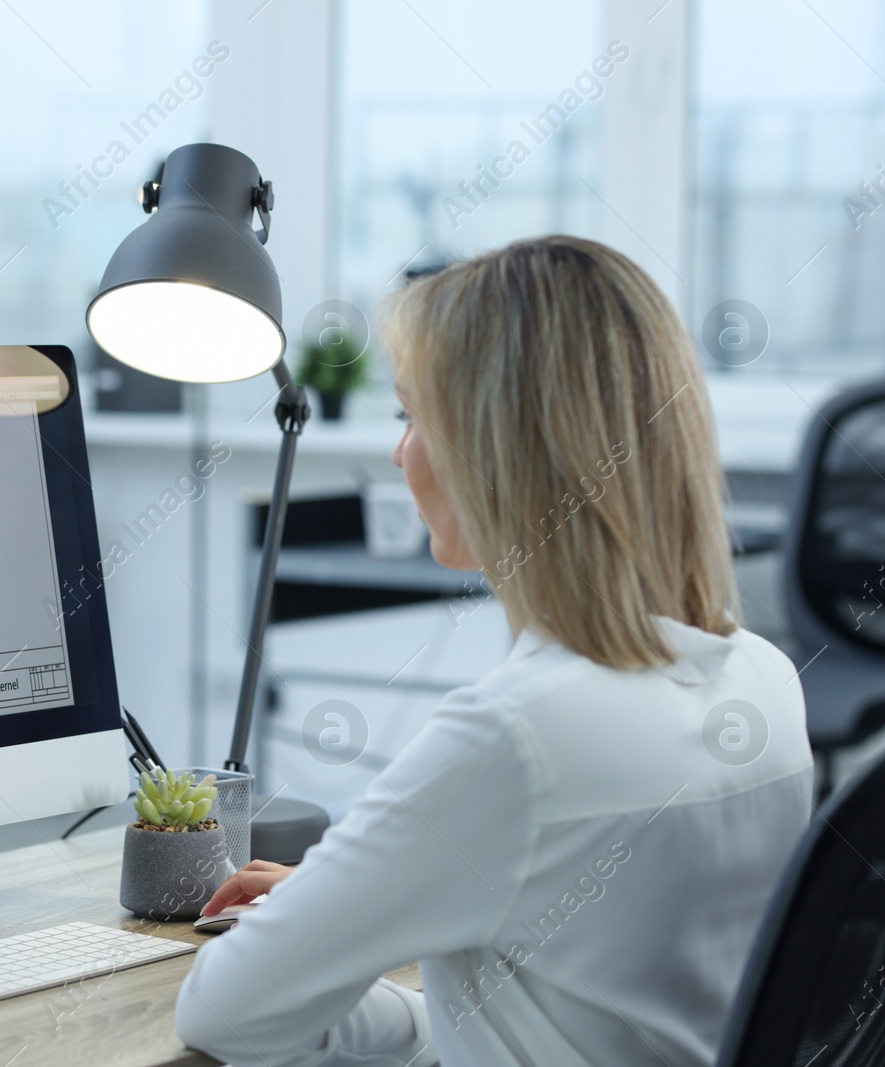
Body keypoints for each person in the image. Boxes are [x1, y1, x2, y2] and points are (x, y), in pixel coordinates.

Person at [173, 236, 813, 1067]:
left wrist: (335, 937)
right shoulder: (763, 678)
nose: (401, 453)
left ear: (499, 448)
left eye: (412, 416)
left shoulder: (517, 738)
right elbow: (575, 1006)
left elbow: (224, 1014)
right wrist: (376, 911)